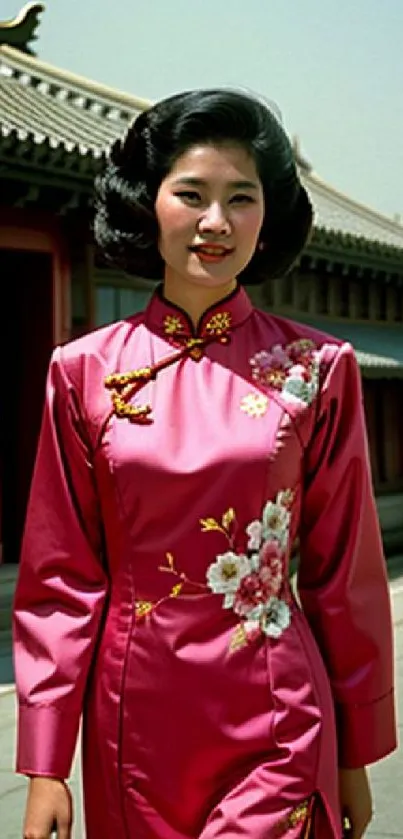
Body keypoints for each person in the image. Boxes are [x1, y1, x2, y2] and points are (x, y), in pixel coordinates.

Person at [13, 88, 396, 839]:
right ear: (147, 202)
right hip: (133, 726)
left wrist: (355, 750)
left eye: (240, 198)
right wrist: (45, 761)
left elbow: (341, 572)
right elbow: (62, 579)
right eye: (191, 194)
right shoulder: (82, 372)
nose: (215, 222)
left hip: (278, 717)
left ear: (267, 214)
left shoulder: (316, 368)